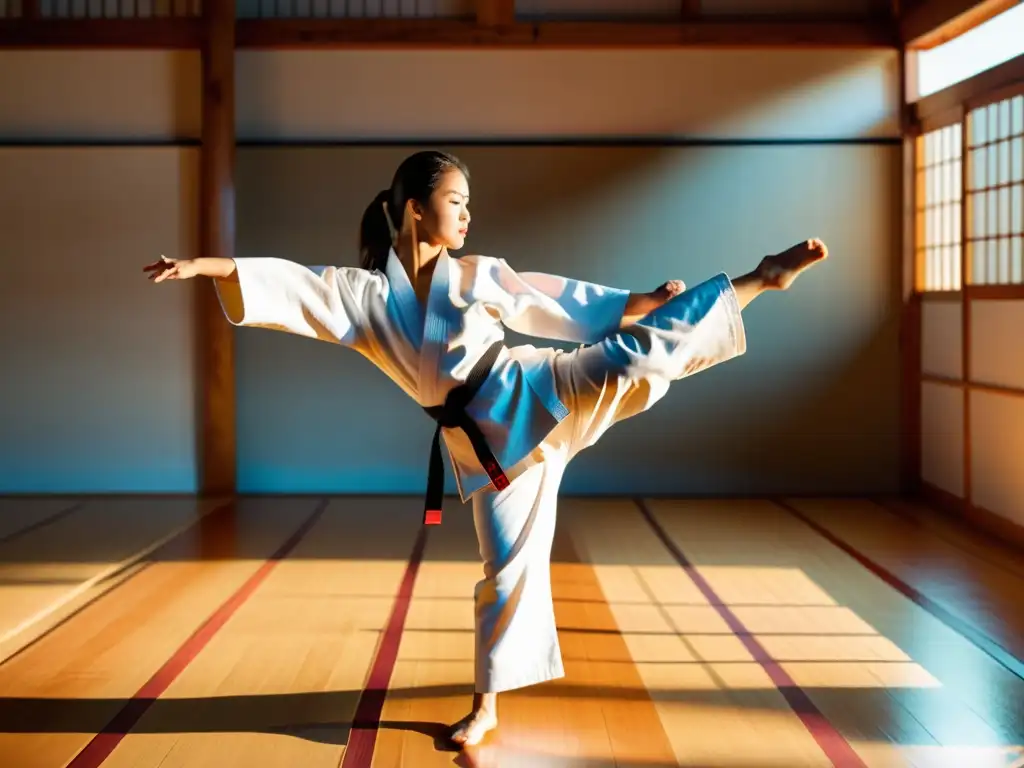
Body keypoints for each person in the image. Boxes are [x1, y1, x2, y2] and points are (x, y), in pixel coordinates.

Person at [144, 149, 827, 748]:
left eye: (469, 204)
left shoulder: (476, 276)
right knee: (506, 570)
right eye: (455, 201)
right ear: (414, 210)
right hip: (488, 453)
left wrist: (642, 300)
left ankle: (759, 278)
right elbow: (293, 285)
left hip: (536, 389)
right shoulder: (364, 296)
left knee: (637, 359)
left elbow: (558, 301)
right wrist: (206, 266)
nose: (467, 215)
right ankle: (487, 707)